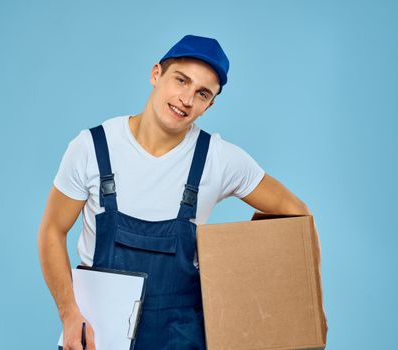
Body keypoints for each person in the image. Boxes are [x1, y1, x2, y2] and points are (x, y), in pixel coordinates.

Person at [37, 35, 311, 350]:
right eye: (181, 81)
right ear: (156, 74)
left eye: (202, 93)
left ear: (210, 104)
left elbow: (296, 213)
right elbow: (51, 232)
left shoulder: (218, 159)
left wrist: (244, 277)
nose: (186, 99)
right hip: (99, 335)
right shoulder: (91, 148)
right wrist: (70, 315)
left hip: (181, 337)